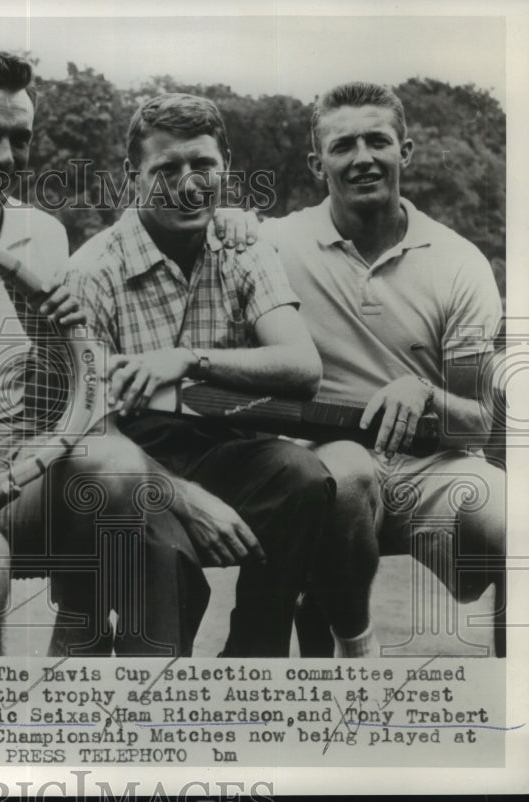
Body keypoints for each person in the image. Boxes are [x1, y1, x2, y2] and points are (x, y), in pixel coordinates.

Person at [0, 50, 258, 657]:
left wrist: (47, 343)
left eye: (19, 137)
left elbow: (57, 397)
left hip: (24, 479)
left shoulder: (46, 234)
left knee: (113, 459)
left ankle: (79, 635)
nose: (5, 156)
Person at [65, 93, 335, 657]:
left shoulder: (241, 246)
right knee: (170, 564)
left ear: (225, 166)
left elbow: (303, 367)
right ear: (131, 176)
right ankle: (151, 703)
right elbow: (87, 428)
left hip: (224, 445)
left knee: (303, 479)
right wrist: (179, 496)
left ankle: (251, 670)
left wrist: (190, 357)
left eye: (203, 166)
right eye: (165, 169)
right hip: (132, 461)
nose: (188, 185)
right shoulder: (94, 270)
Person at [259, 82, 506, 657]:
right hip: (326, 463)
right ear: (316, 163)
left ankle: (512, 703)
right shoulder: (273, 243)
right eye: (344, 145)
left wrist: (424, 393)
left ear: (407, 151)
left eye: (379, 141)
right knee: (345, 476)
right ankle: (357, 647)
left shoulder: (458, 261)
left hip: (435, 469)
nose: (363, 157)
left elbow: (476, 424)